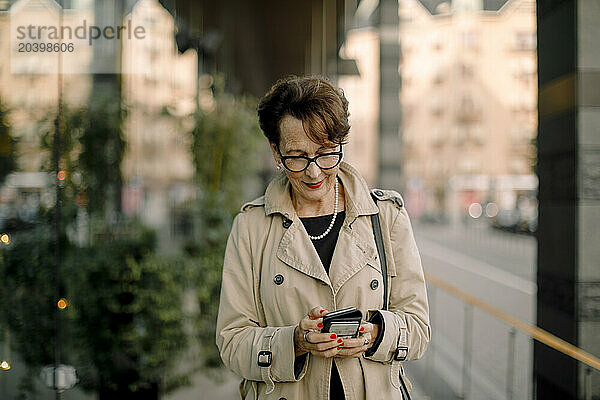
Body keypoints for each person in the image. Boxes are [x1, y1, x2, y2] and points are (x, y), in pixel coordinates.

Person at [216, 76, 430, 400]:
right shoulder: (251, 228)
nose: (314, 172)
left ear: (341, 142)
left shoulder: (385, 216)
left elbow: (418, 328)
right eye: (297, 157)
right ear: (275, 150)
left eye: (326, 153)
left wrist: (375, 335)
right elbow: (232, 341)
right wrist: (295, 342)